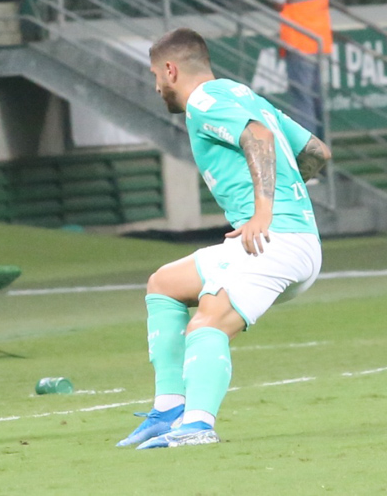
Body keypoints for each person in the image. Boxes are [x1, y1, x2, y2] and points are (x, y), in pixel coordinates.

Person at [116, 28, 332, 449]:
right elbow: (318, 152)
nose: (156, 86)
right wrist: (284, 191)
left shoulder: (204, 101)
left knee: (208, 320)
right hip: (288, 238)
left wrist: (264, 212)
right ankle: (169, 410)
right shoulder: (239, 93)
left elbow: (260, 137)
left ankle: (197, 424)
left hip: (276, 240)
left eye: (155, 76)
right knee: (164, 284)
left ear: (170, 69)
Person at [272, 0, 333, 138]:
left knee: (302, 102)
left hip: (299, 40)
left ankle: (309, 150)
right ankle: (321, 147)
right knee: (316, 101)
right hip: (319, 41)